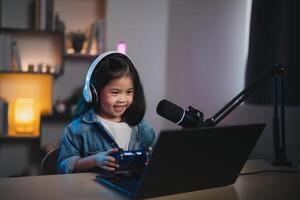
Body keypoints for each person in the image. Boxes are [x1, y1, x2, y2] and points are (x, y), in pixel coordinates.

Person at [57, 51, 156, 174]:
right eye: (115, 92)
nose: (123, 99)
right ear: (93, 93)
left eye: (129, 92)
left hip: (129, 191)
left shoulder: (143, 129)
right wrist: (94, 160)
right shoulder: (77, 130)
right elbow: (63, 166)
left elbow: (156, 161)